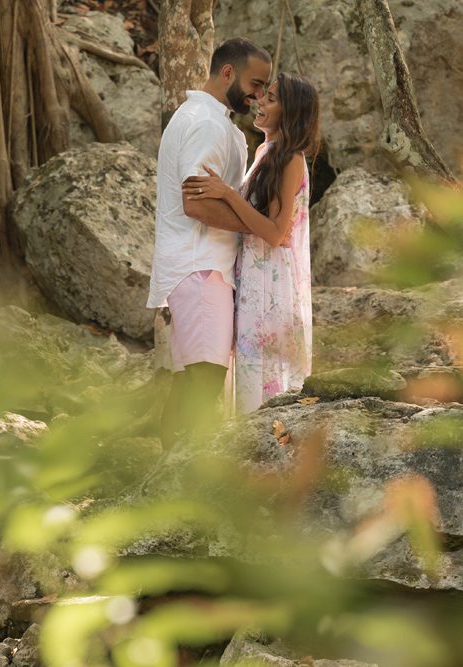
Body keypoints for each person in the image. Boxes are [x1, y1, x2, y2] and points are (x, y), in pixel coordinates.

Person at [146, 37, 272, 444]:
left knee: (191, 381)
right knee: (205, 379)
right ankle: (180, 478)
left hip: (202, 267)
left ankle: (166, 477)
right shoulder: (204, 122)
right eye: (255, 84)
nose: (258, 96)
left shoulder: (214, 121)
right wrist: (262, 228)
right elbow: (196, 204)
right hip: (202, 268)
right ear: (228, 73)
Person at [182, 73, 320, 414]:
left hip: (272, 285)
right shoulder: (265, 152)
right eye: (264, 95)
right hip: (253, 280)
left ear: (291, 113)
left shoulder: (290, 158)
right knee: (249, 371)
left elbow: (275, 233)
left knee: (266, 378)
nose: (260, 101)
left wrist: (228, 194)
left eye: (271, 99)